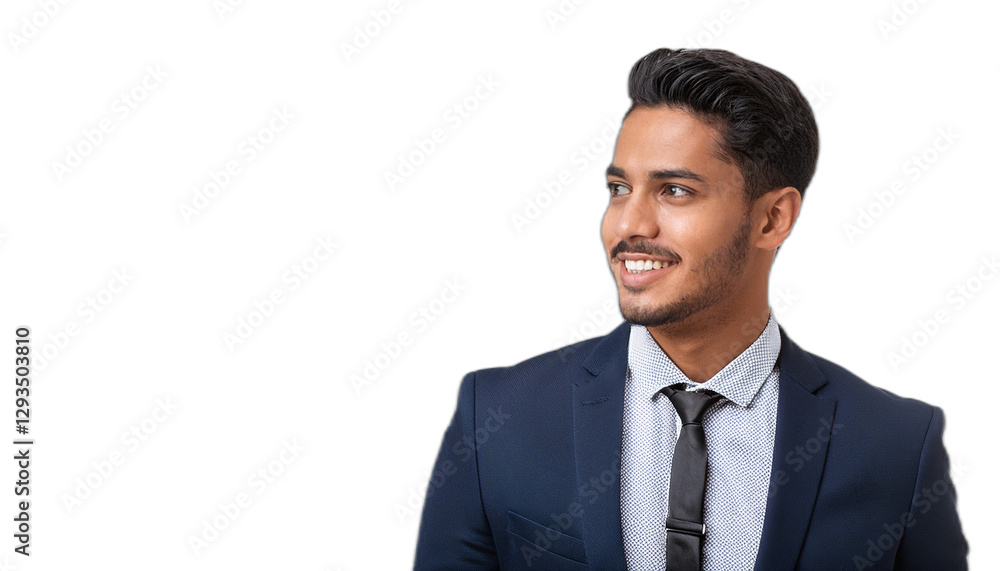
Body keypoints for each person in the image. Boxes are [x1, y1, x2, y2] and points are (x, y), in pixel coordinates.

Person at [413, 47, 968, 570]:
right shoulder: (497, 417)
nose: (630, 224)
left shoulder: (895, 445)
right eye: (618, 188)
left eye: (674, 190)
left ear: (772, 218)